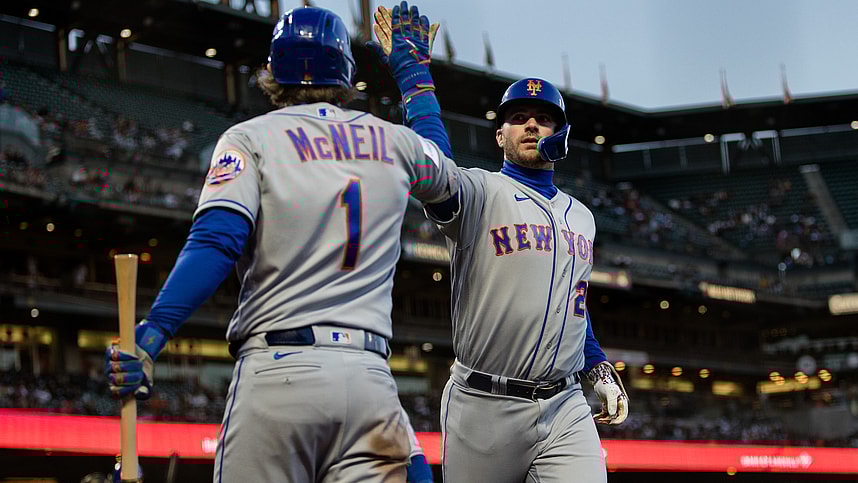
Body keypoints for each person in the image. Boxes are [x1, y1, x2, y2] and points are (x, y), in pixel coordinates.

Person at [104, 6, 456, 482]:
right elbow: (449, 179)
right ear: (346, 72)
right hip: (367, 378)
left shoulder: (251, 137)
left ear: (273, 71)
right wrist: (415, 79)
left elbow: (217, 241)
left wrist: (152, 335)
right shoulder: (394, 141)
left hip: (277, 375)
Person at [370, 3, 628, 482]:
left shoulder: (584, 218)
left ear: (561, 134)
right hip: (484, 404)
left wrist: (597, 365)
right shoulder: (480, 191)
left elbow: (571, 302)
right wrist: (413, 77)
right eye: (520, 118)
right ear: (500, 135)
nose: (532, 125)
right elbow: (433, 164)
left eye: (544, 119)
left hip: (565, 406)